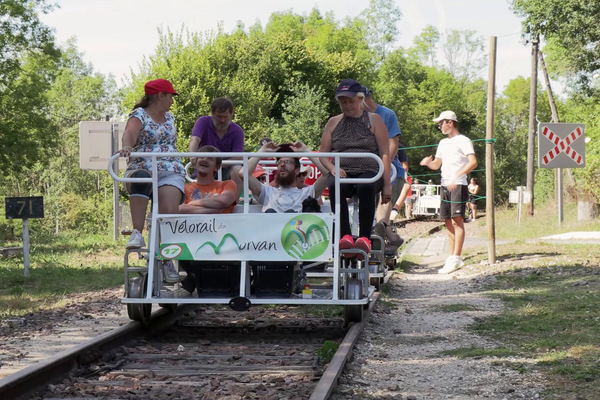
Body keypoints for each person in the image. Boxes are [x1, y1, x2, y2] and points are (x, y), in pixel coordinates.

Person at [119, 79, 184, 283]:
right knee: (141, 177)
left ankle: (164, 257)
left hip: (170, 168)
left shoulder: (170, 117)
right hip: (144, 165)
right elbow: (129, 133)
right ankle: (137, 232)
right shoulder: (139, 115)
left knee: (168, 210)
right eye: (171, 96)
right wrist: (128, 147)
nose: (173, 101)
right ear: (161, 96)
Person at [319, 79, 391, 257]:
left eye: (351, 101)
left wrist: (387, 184)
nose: (348, 105)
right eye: (344, 102)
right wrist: (332, 168)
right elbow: (322, 154)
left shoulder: (374, 120)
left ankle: (365, 238)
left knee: (366, 185)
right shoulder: (333, 122)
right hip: (343, 169)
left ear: (360, 100)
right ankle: (345, 235)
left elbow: (384, 152)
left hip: (369, 169)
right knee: (336, 185)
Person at [420, 110, 477, 274]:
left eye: (440, 123)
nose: (439, 127)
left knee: (457, 220)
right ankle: (451, 256)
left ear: (450, 122)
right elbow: (437, 164)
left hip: (458, 184)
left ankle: (456, 258)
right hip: (445, 184)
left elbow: (473, 162)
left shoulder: (464, 140)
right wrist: (427, 164)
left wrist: (456, 176)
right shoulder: (443, 143)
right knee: (447, 221)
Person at [239, 141, 328, 213]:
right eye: (280, 162)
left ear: (297, 170)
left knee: (290, 213)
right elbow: (243, 173)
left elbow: (328, 174)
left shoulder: (307, 193)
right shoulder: (267, 192)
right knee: (270, 212)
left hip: (295, 233)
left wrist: (307, 151)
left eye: (288, 162)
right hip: (270, 233)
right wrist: (261, 151)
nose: (282, 165)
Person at [362, 86, 406, 227]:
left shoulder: (387, 115)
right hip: (365, 166)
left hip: (388, 165)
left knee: (385, 192)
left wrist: (383, 167)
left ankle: (380, 229)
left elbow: (393, 145)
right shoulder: (355, 116)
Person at [189, 97, 244, 196]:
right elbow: (194, 140)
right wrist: (193, 156)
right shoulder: (203, 122)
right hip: (204, 168)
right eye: (219, 116)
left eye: (225, 117)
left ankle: (233, 206)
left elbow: (238, 157)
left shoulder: (237, 131)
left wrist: (216, 164)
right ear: (212, 113)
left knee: (238, 171)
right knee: (198, 197)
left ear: (231, 114)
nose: (222, 120)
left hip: (226, 170)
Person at [179, 145, 237, 214]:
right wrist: (212, 210)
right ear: (196, 164)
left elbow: (223, 201)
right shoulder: (184, 188)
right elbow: (179, 209)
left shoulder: (227, 184)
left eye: (210, 159)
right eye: (201, 157)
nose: (205, 160)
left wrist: (191, 204)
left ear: (216, 167)